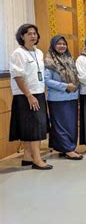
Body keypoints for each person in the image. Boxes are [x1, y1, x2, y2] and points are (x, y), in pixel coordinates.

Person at [9, 24, 51, 169]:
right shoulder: (18, 53)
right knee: (34, 128)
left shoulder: (38, 52)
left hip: (38, 93)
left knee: (33, 127)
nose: (33, 36)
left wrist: (42, 92)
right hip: (25, 95)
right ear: (22, 36)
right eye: (29, 34)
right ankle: (37, 160)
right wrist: (29, 95)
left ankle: (27, 157)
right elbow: (18, 76)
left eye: (35, 33)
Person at [44, 35, 82, 160]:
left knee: (71, 125)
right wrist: (65, 86)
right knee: (61, 125)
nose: (62, 46)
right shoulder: (49, 61)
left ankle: (66, 147)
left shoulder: (70, 59)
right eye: (59, 44)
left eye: (64, 44)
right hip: (58, 99)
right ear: (53, 46)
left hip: (72, 97)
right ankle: (67, 149)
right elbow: (47, 80)